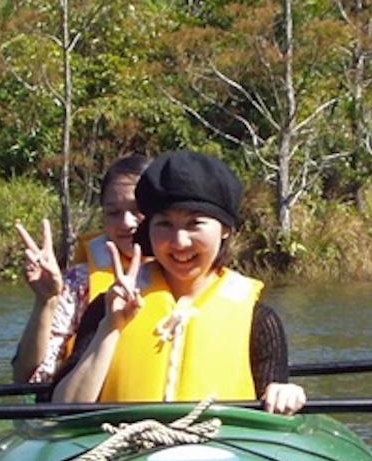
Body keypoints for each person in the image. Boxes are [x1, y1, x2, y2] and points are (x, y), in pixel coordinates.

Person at [52, 150, 307, 415]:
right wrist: (110, 327)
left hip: (220, 441)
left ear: (225, 229)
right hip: (126, 440)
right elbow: (62, 409)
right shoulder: (107, 307)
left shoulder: (260, 321)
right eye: (164, 224)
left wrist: (284, 393)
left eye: (195, 223)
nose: (179, 242)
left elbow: (276, 410)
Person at [11, 154, 151, 383]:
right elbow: (26, 378)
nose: (126, 223)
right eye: (113, 213)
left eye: (138, 209)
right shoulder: (79, 282)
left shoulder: (188, 274)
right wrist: (46, 301)